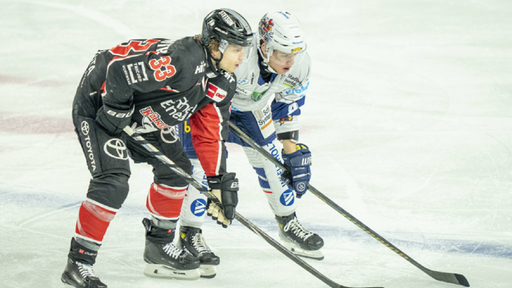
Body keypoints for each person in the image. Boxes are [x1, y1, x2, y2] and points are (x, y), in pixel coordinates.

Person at [61, 8, 253, 288]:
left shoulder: (223, 80)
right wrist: (115, 109)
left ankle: (159, 247)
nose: (243, 57)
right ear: (216, 45)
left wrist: (216, 180)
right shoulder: (183, 61)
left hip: (142, 109)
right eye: (236, 49)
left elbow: (210, 131)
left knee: (177, 171)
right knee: (113, 182)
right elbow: (119, 71)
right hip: (100, 101)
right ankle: (79, 262)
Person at [178, 11, 324, 268]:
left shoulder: (300, 64)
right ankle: (189, 233)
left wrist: (291, 148)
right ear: (264, 46)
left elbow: (287, 103)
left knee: (272, 160)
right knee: (203, 167)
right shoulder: (240, 58)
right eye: (283, 53)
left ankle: (287, 222)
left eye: (295, 53)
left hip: (249, 108)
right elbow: (199, 88)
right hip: (205, 107)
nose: (290, 61)